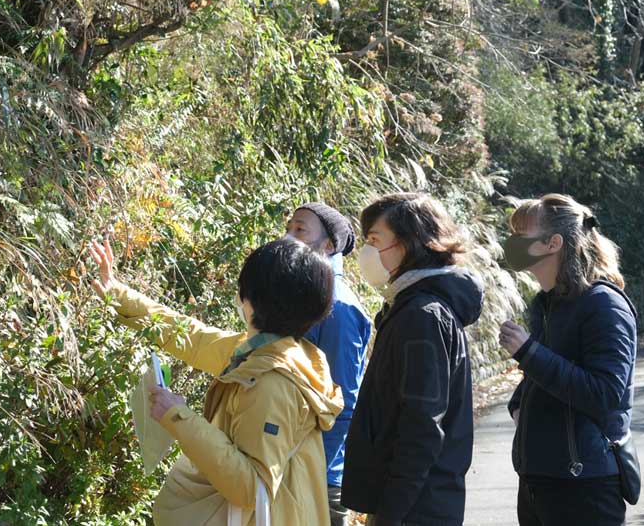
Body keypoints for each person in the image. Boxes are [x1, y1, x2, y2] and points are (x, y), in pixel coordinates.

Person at [89, 237, 343, 526]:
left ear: (252, 298)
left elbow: (250, 486)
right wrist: (118, 293)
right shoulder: (268, 351)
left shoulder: (272, 382)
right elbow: (192, 337)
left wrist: (179, 417)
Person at [341, 193, 483, 526]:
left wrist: (390, 516)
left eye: (375, 240)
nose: (367, 252)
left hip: (416, 510)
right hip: (417, 503)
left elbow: (421, 427)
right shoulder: (412, 308)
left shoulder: (422, 316)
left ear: (409, 243)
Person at [500, 193, 637, 526]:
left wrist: (528, 352)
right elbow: (544, 375)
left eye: (522, 234)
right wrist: (520, 404)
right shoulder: (547, 304)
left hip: (584, 485)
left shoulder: (604, 305)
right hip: (538, 479)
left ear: (553, 243)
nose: (512, 242)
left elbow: (605, 393)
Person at [285, 203, 372, 526]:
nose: (288, 236)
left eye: (300, 230)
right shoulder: (304, 296)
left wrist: (313, 472)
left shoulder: (337, 306)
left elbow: (343, 401)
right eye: (289, 227)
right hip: (293, 468)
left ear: (329, 245)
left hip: (318, 480)